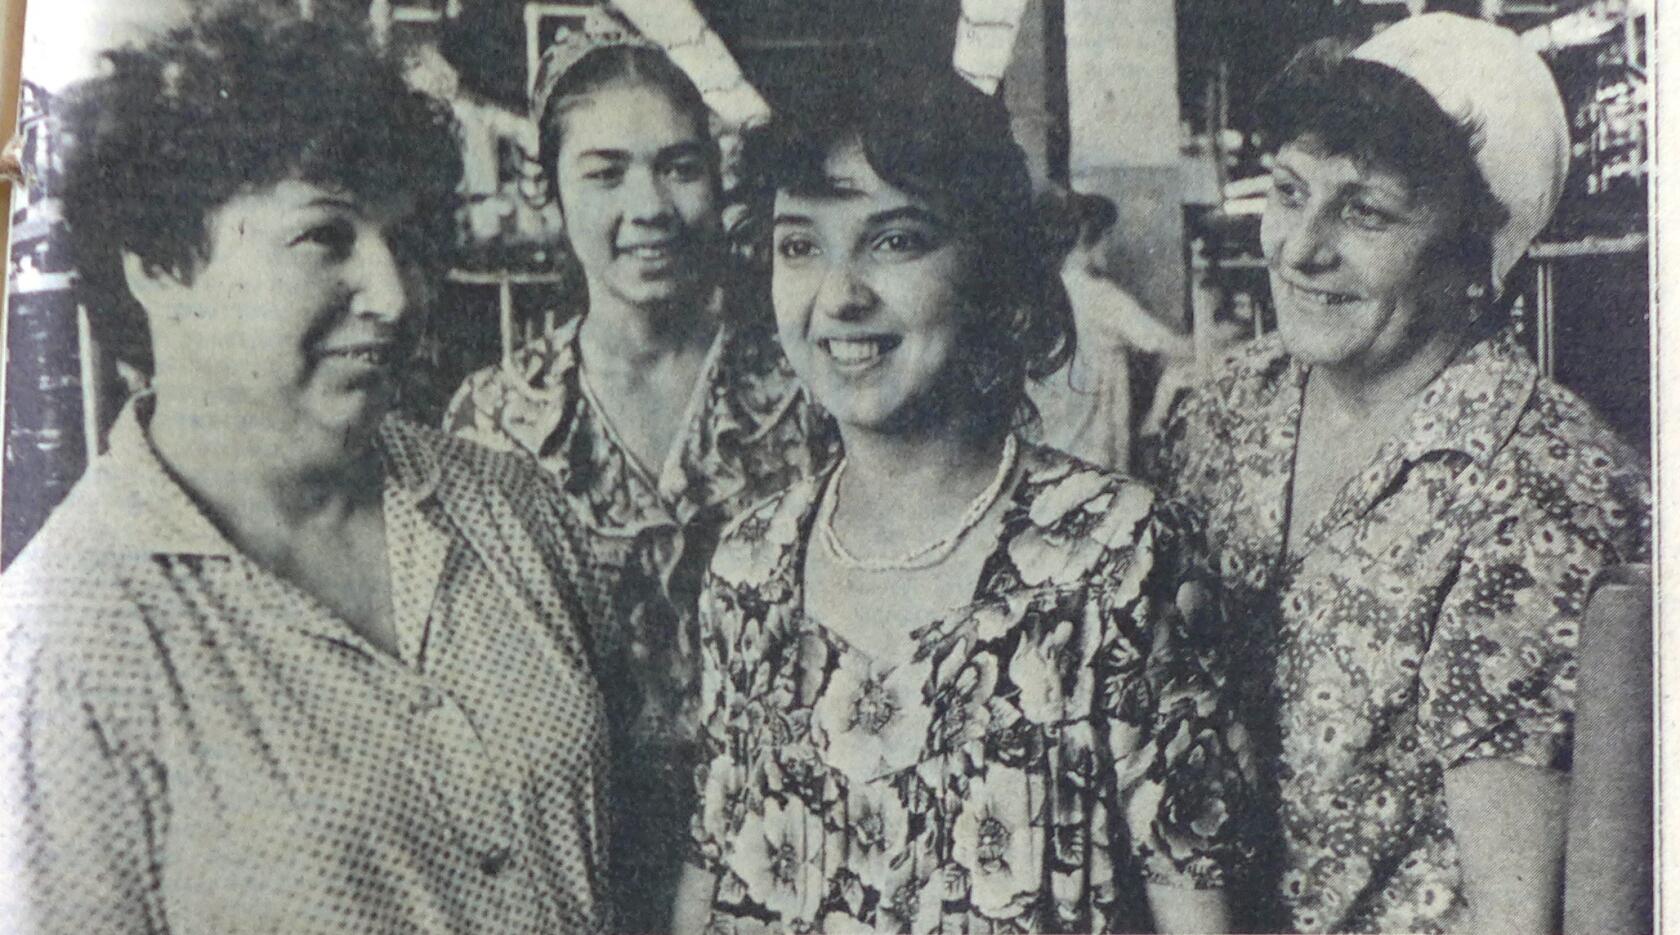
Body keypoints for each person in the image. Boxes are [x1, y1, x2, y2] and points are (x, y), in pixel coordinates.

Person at [3, 7, 613, 931]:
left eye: (404, 241)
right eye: (325, 237)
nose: (394, 293)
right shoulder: (69, 649)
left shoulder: (509, 508)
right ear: (159, 266)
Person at [672, 64, 1247, 934]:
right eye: (799, 246)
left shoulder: (1122, 559)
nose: (839, 295)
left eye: (895, 240)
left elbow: (1200, 910)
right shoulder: (748, 567)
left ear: (993, 271)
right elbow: (709, 875)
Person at [1151, 14, 1650, 933]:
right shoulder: (1227, 411)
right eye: (1290, 192)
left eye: (1365, 212)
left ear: (1478, 256)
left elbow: (1515, 912)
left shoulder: (1541, 486)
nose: (1299, 247)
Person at [441, 28, 828, 931]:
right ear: (549, 190)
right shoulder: (494, 421)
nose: (648, 206)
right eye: (605, 173)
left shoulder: (813, 389)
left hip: (793, 864)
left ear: (718, 181)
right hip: (580, 880)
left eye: (678, 167)